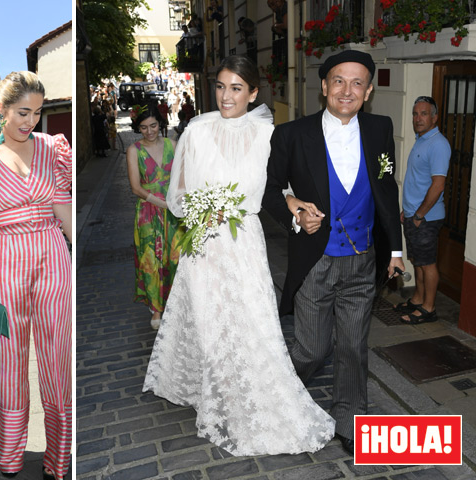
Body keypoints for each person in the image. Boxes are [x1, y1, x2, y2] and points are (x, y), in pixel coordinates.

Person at [143, 55, 335, 455]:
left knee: (250, 319)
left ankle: (247, 394)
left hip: (244, 241)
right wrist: (200, 207)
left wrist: (297, 205)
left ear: (252, 93)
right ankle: (217, 393)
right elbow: (176, 197)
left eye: (235, 88)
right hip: (205, 242)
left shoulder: (269, 134)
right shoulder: (196, 130)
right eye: (220, 87)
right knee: (211, 319)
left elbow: (277, 188)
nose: (226, 96)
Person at [263, 50, 405, 455]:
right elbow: (271, 192)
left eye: (357, 82)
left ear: (369, 90)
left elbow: (385, 189)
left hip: (363, 260)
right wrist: (295, 214)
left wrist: (394, 250)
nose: (347, 90)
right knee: (312, 348)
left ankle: (350, 421)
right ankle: (279, 396)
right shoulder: (292, 134)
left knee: (352, 347)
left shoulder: (380, 129)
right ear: (324, 86)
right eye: (339, 80)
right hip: (316, 259)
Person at [0, 71, 72, 480]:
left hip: (52, 254)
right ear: (1, 110)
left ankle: (60, 457)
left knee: (59, 356)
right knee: (8, 361)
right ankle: (8, 453)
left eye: (37, 113)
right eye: (24, 112)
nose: (31, 121)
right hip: (3, 258)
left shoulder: (53, 148)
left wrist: (81, 248)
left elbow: (62, 203)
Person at [394, 96, 450, 324]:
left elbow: (438, 185)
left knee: (427, 263)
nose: (418, 118)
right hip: (413, 215)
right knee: (417, 260)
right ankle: (417, 299)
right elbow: (418, 181)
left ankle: (429, 308)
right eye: (415, 114)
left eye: (424, 114)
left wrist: (419, 215)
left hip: (425, 218)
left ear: (434, 117)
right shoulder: (421, 139)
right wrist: (407, 211)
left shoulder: (438, 144)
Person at [125, 105, 181, 330]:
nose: (149, 131)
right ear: (138, 128)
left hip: (173, 211)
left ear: (161, 123)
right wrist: (162, 203)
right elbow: (136, 188)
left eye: (154, 126)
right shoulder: (134, 151)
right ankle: (156, 308)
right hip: (148, 212)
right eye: (144, 127)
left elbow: (181, 179)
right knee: (151, 258)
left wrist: (177, 202)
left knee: (174, 256)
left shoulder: (173, 146)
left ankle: (175, 303)